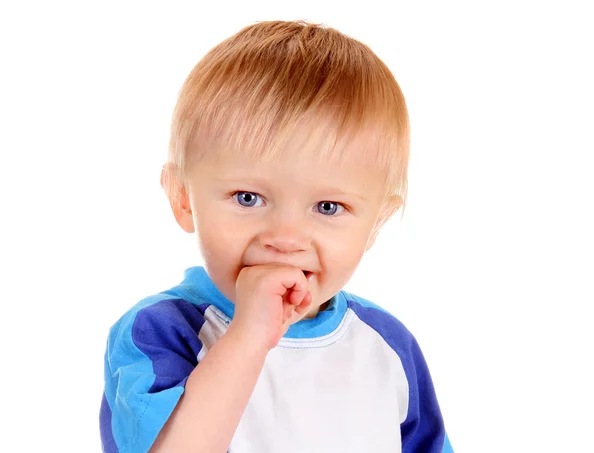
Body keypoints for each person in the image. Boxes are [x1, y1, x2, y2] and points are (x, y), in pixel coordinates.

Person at [100, 20, 454, 453]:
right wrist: (250, 334)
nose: (286, 238)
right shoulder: (163, 330)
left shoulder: (387, 346)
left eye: (328, 207)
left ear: (376, 222)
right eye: (248, 198)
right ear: (183, 198)